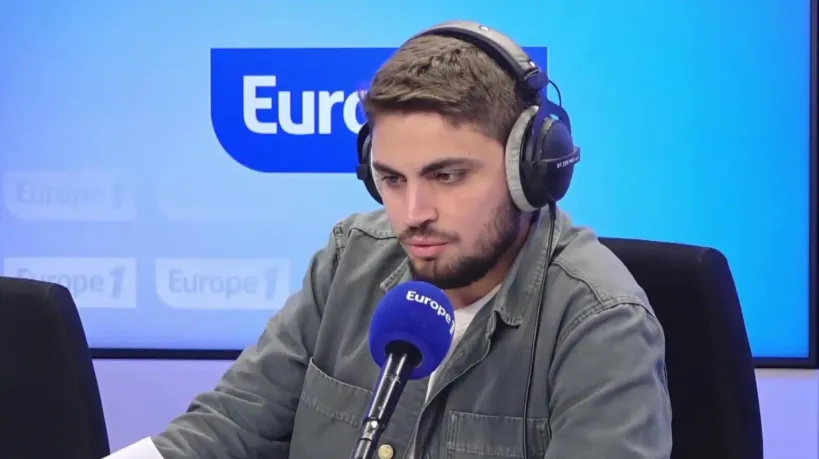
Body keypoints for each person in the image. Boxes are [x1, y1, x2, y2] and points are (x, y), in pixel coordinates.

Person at [111, 20, 672, 459]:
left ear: (528, 171)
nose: (413, 214)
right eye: (392, 180)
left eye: (447, 176)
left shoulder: (601, 322)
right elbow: (228, 427)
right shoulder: (350, 259)